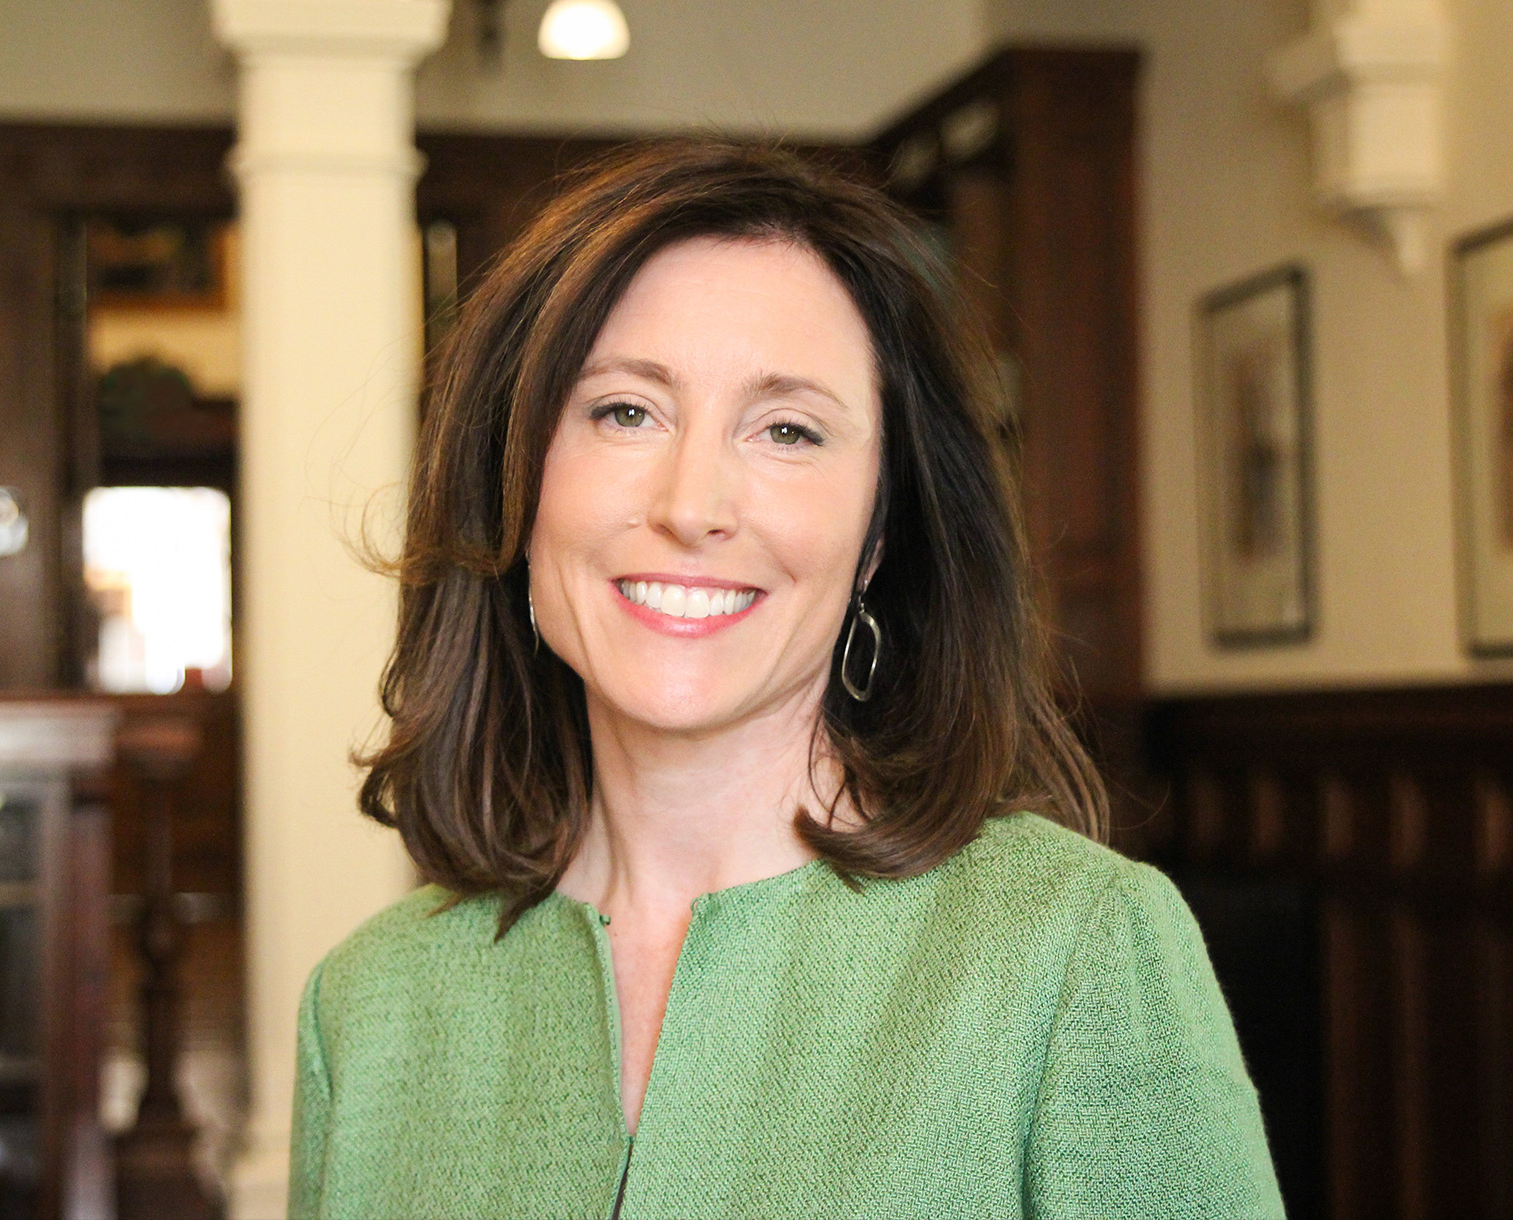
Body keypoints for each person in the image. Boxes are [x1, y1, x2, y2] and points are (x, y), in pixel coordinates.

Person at [289, 140, 1285, 1219]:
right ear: (517, 481)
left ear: (876, 533)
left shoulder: (1077, 947)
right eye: (626, 410)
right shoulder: (366, 1002)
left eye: (788, 429)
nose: (693, 503)